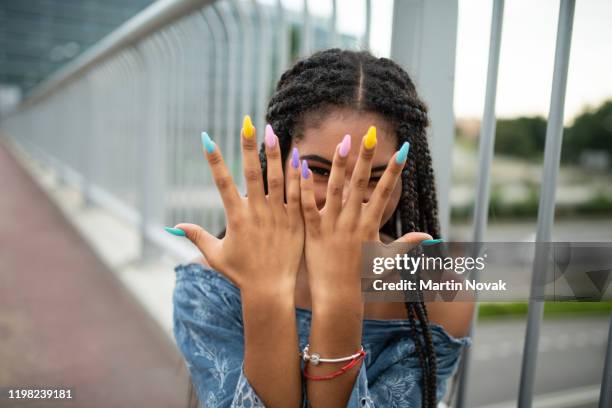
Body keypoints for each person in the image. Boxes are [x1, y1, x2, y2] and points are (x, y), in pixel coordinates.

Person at [167, 48, 474, 408]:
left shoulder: (440, 298)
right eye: (321, 170)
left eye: (373, 177)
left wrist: (340, 295)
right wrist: (265, 293)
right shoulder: (210, 288)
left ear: (406, 180)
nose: (344, 197)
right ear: (277, 159)